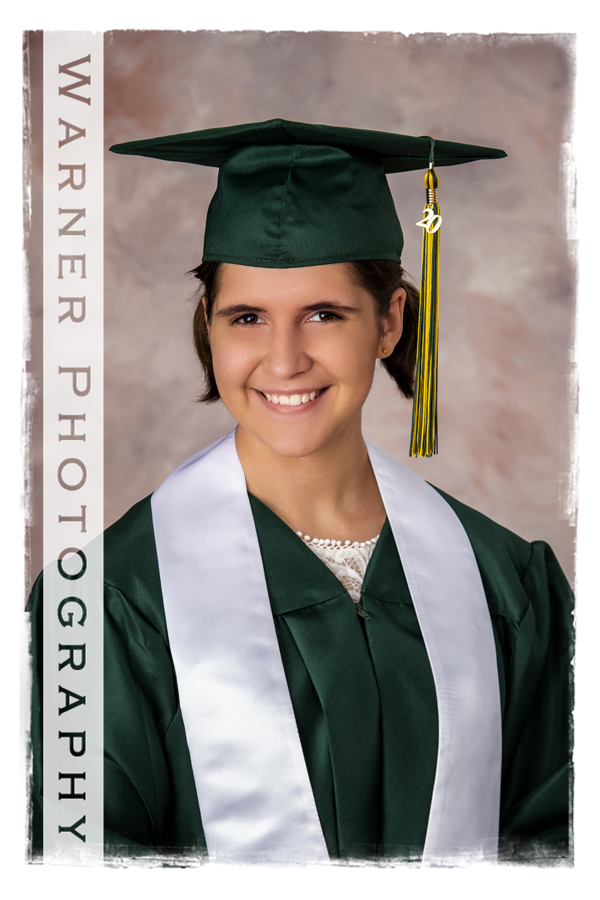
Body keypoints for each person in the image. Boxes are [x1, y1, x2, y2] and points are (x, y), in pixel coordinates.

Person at [28, 119, 572, 866]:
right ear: (211, 330)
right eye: (247, 317)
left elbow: (560, 837)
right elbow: (76, 862)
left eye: (324, 314)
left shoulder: (506, 583)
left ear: (388, 323)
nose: (284, 360)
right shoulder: (110, 600)